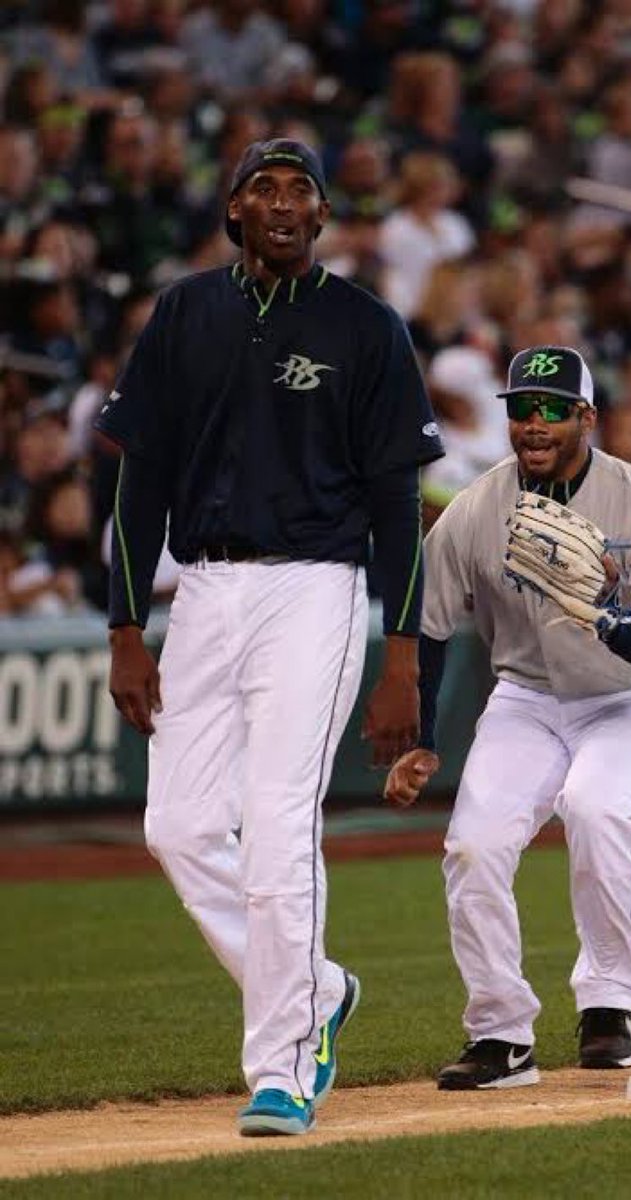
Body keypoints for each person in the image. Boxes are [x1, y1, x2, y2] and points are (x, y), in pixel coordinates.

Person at [94, 138, 444, 1135]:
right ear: (234, 210)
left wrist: (400, 656)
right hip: (201, 593)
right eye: (265, 187)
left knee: (281, 823)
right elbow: (139, 483)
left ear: (323, 218)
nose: (285, 202)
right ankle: (318, 987)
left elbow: (395, 502)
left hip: (317, 591)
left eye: (304, 190)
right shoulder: (184, 312)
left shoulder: (365, 326)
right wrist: (126, 625)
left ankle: (285, 1067)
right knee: (178, 828)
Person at [384, 345, 631, 1089]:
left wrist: (598, 614)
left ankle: (607, 1005)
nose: (534, 422)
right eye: (523, 408)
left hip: (628, 697)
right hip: (526, 696)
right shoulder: (478, 508)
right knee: (471, 844)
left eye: (554, 409)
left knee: (593, 806)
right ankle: (499, 1033)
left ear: (586, 417)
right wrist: (424, 740)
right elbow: (427, 626)